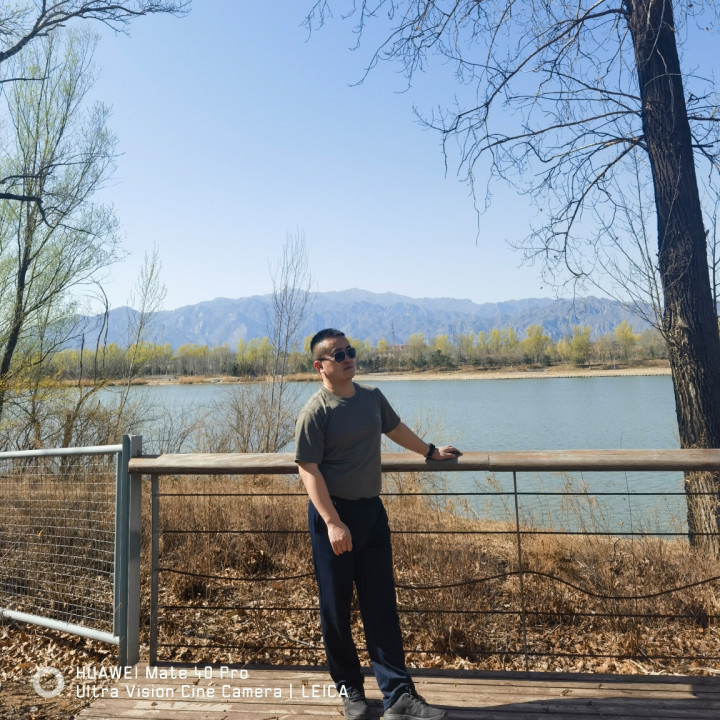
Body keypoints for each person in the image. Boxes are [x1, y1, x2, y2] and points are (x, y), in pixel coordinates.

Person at [294, 328, 461, 720]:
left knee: (381, 606)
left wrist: (430, 451)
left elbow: (395, 429)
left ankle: (398, 696)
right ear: (320, 366)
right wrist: (332, 522)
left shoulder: (372, 398)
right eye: (338, 355)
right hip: (333, 519)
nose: (348, 358)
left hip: (371, 514)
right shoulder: (315, 411)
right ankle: (351, 691)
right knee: (336, 611)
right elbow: (308, 469)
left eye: (350, 351)